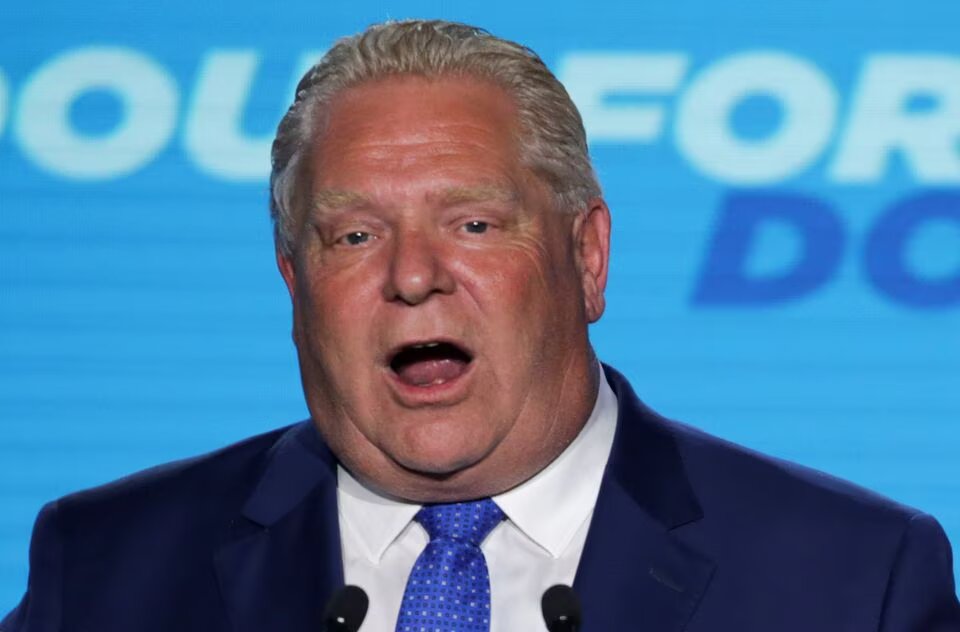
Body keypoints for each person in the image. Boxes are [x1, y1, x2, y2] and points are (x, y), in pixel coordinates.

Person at [3, 19, 959, 632]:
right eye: (353, 235)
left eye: (473, 224)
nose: (413, 277)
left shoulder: (852, 580)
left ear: (587, 258)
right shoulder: (103, 568)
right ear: (293, 284)